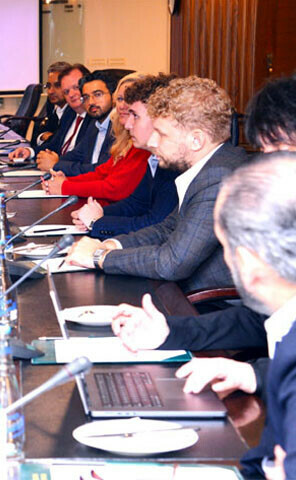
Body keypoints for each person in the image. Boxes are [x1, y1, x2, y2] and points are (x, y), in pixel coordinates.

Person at [111, 153, 296, 478]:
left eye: (224, 248)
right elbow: (254, 322)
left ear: (247, 263)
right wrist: (251, 372)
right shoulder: (283, 317)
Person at [65, 76, 247, 293]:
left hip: (206, 302)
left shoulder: (216, 178)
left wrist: (100, 257)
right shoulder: (209, 167)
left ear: (196, 140)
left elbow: (172, 262)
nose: (152, 142)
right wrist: (113, 244)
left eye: (161, 134)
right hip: (178, 289)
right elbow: (166, 228)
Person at [70, 74, 179, 238]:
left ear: (159, 118)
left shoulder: (175, 164)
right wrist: (97, 213)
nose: (128, 125)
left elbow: (156, 224)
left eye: (135, 116)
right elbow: (136, 204)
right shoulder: (155, 157)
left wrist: (97, 222)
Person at [42, 73, 148, 203]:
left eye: (97, 94)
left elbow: (114, 188)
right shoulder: (118, 134)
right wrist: (66, 180)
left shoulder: (143, 142)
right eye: (120, 99)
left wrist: (65, 186)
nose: (122, 105)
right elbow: (101, 172)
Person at [8, 64, 92, 163]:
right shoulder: (70, 113)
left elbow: (82, 158)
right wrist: (29, 152)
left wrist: (57, 163)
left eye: (76, 87)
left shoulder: (94, 119)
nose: (71, 94)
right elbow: (54, 145)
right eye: (66, 91)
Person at [38, 71, 117, 175]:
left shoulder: (120, 128)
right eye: (86, 97)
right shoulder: (94, 125)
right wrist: (48, 160)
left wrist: (56, 165)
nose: (91, 102)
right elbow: (77, 154)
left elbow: (102, 170)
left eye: (98, 94)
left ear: (114, 96)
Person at [30, 61, 71, 147]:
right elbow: (38, 135)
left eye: (57, 85)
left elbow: (59, 141)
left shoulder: (74, 110)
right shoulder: (51, 103)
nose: (50, 91)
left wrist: (50, 137)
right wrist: (42, 136)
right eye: (48, 86)